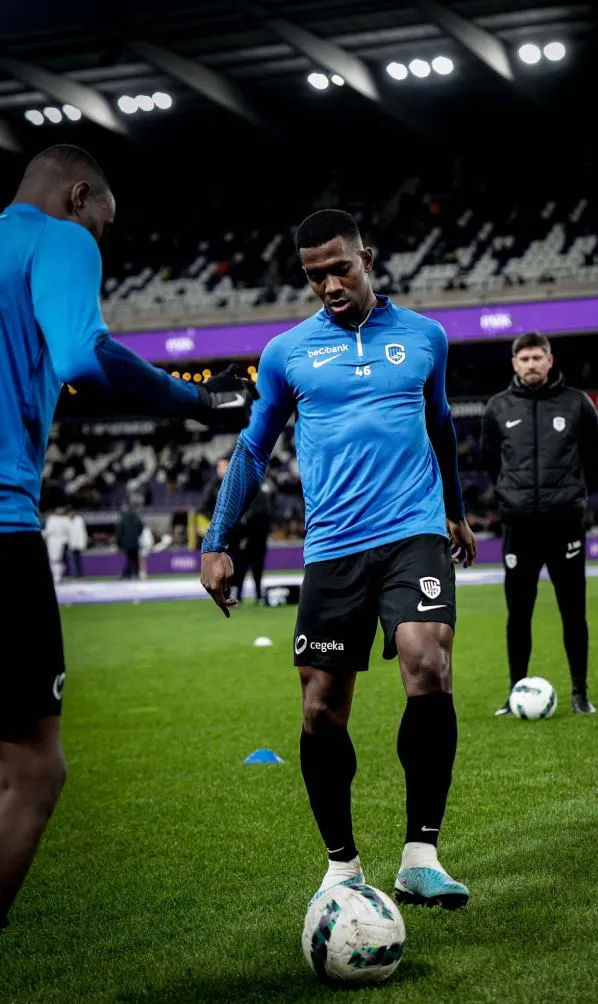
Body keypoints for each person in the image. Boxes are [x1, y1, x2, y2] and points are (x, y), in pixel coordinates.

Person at [0, 143, 257, 931]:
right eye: (104, 228)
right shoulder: (61, 237)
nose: (101, 246)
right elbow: (85, 352)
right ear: (79, 198)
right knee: (34, 769)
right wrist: (198, 399)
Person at [201, 209, 477, 910]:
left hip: (411, 529)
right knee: (321, 707)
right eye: (313, 275)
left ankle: (420, 854)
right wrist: (216, 539)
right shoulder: (287, 353)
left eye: (338, 268)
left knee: (427, 658)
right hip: (332, 546)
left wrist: (456, 509)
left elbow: (439, 425)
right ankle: (343, 865)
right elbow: (254, 448)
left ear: (367, 259)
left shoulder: (424, 337)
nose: (326, 284)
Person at [480, 332, 598, 718]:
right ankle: (515, 692)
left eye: (538, 357)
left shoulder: (577, 404)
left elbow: (595, 459)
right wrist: (511, 495)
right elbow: (490, 462)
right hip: (519, 527)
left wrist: (570, 496)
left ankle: (580, 693)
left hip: (565, 526)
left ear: (550, 360)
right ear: (515, 364)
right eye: (524, 359)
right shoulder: (498, 408)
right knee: (518, 615)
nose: (531, 364)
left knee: (573, 612)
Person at [42, 506, 72, 584]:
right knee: (55, 560)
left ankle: (57, 577)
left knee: (57, 560)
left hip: (60, 542)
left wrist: (43, 534)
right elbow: (49, 531)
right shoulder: (53, 519)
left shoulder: (64, 519)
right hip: (55, 542)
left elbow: (50, 531)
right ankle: (56, 577)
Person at [67, 507, 88, 578]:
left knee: (79, 560)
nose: (71, 514)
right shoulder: (66, 521)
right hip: (71, 543)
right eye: (70, 513)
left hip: (78, 543)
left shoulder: (79, 520)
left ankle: (81, 574)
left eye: (72, 512)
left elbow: (83, 531)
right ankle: (75, 575)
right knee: (73, 560)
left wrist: (84, 541)